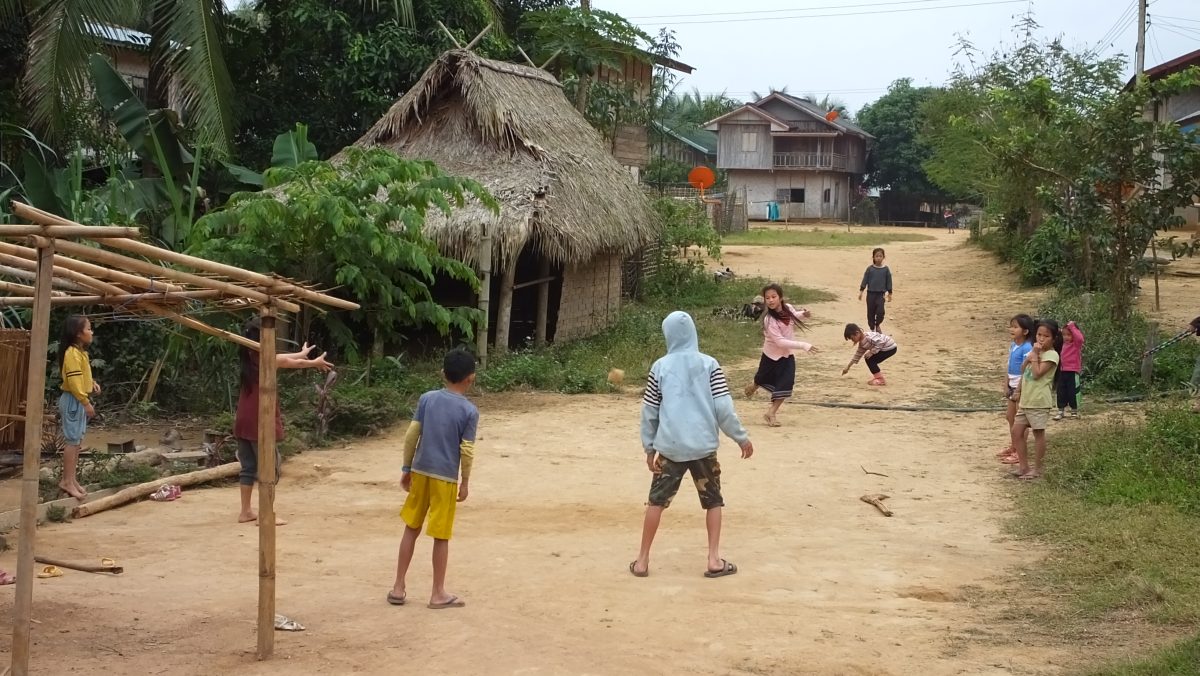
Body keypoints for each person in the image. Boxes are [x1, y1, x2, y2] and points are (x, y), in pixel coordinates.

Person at [631, 311, 753, 579]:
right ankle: (713, 559)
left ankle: (642, 561)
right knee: (713, 501)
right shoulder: (709, 364)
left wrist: (649, 448)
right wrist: (740, 437)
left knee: (656, 501)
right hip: (703, 447)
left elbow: (649, 411)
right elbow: (723, 408)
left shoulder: (659, 367)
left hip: (670, 448)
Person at [389, 349, 479, 609]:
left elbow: (411, 435)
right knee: (441, 535)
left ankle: (398, 587)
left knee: (411, 528)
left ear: (443, 374)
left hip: (420, 471)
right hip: (445, 478)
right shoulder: (469, 411)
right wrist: (465, 481)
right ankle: (437, 592)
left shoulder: (427, 399)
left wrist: (407, 468)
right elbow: (467, 449)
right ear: (470, 378)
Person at [234, 317, 333, 525]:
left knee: (248, 467)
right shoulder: (264, 359)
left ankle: (246, 511)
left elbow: (281, 357)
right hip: (259, 420)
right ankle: (265, 514)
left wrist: (302, 354)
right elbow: (286, 361)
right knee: (268, 469)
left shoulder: (249, 355)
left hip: (244, 420)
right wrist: (312, 362)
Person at [743, 283, 817, 427]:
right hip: (770, 355)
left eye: (773, 297)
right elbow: (780, 342)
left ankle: (771, 413)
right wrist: (803, 345)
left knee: (786, 384)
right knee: (762, 377)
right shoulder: (769, 320)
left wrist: (803, 314)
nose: (770, 300)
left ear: (780, 297)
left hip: (787, 356)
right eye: (767, 298)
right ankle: (755, 384)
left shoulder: (788, 308)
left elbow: (793, 316)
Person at [1010, 320, 1061, 480]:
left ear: (1053, 339)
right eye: (1039, 335)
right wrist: (1032, 355)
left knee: (1038, 433)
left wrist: (1034, 357)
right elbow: (1023, 369)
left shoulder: (1052, 355)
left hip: (1039, 401)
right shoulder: (1035, 352)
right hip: (1027, 400)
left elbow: (1038, 373)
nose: (1041, 339)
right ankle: (1024, 466)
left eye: (1046, 336)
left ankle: (1038, 469)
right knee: (1016, 432)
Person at [57, 315, 98, 499]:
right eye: (89, 328)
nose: (91, 332)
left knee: (77, 442)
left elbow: (80, 376)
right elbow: (73, 382)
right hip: (74, 400)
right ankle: (66, 481)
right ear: (79, 333)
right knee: (72, 442)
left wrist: (91, 383)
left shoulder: (80, 352)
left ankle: (71, 479)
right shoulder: (72, 354)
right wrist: (85, 401)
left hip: (77, 399)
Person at [998, 315, 1035, 465]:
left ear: (1025, 331)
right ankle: (1014, 447)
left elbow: (1027, 370)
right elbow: (1009, 366)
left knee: (1020, 421)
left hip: (1021, 387)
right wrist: (1006, 383)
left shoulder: (1027, 347)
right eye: (1011, 326)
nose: (1012, 329)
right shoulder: (1013, 345)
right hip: (1012, 385)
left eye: (1015, 327)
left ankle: (1020, 451)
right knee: (1010, 417)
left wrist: (1019, 389)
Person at [1054, 320, 1085, 421]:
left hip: (1073, 372)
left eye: (1069, 335)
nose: (1066, 337)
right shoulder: (1063, 344)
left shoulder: (1076, 345)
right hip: (1063, 371)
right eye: (1064, 335)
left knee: (1073, 392)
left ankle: (1074, 411)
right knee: (1061, 391)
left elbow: (1080, 338)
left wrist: (1072, 326)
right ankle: (1060, 411)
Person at [858, 248, 893, 332]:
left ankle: (877, 324)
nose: (878, 258)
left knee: (880, 311)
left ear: (884, 257)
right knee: (870, 312)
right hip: (870, 294)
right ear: (873, 257)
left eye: (880, 256)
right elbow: (865, 280)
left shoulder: (886, 269)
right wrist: (861, 291)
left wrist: (890, 293)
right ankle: (872, 327)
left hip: (880, 295)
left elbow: (889, 281)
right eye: (876, 256)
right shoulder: (870, 269)